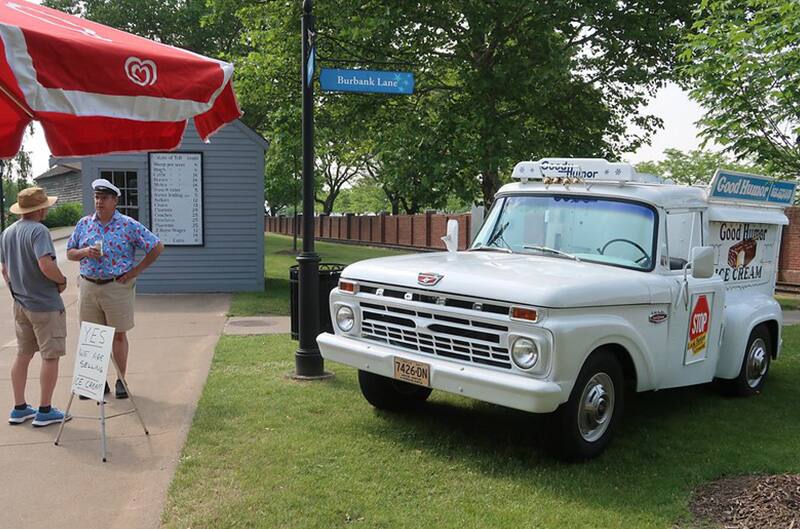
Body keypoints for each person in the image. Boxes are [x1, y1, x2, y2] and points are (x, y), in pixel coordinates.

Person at [67, 178, 163, 399]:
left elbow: (157, 246)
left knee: (118, 335)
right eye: (97, 197)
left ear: (114, 201)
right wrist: (84, 252)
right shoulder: (84, 224)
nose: (99, 202)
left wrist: (135, 271)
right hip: (89, 285)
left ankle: (121, 379)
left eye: (104, 198)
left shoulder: (128, 225)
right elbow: (70, 252)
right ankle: (95, 383)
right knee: (93, 335)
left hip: (116, 286)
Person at [1, 187, 71, 427]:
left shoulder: (7, 232)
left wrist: (15, 290)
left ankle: (19, 407)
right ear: (40, 208)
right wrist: (61, 280)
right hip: (44, 303)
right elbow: (46, 265)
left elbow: (4, 270)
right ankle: (45, 410)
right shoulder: (39, 231)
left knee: (23, 354)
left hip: (21, 303)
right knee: (50, 356)